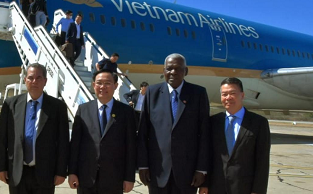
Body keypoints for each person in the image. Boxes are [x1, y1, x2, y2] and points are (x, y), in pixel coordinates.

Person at [137, 53, 211, 194]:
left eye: (178, 69)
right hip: (157, 171)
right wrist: (142, 165)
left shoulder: (198, 93)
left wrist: (201, 169)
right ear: (163, 71)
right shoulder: (152, 93)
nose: (173, 73)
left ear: (186, 71)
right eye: (169, 68)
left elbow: (204, 134)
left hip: (187, 173)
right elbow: (143, 133)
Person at [0, 63, 70, 194]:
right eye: (30, 78)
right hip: (17, 172)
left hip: (45, 173)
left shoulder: (57, 107)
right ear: (25, 80)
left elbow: (63, 142)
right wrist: (1, 167)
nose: (34, 81)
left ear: (45, 81)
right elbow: (2, 139)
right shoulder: (11, 104)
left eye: (39, 78)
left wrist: (61, 171)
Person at [68, 69, 137, 194]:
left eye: (107, 83)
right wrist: (72, 172)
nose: (102, 87)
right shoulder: (83, 110)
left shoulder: (126, 112)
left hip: (115, 178)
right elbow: (75, 145)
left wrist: (129, 177)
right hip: (86, 178)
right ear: (94, 85)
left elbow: (131, 147)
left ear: (115, 86)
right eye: (99, 83)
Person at [198, 78, 270, 194]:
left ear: (242, 95)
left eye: (232, 93)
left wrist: (258, 190)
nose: (228, 98)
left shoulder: (259, 123)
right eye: (224, 94)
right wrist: (204, 184)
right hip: (216, 187)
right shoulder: (213, 122)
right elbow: (207, 155)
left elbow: (262, 161)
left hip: (244, 187)